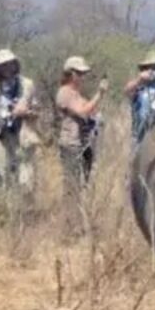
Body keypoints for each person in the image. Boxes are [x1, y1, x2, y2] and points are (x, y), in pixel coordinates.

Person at [55, 56, 108, 230]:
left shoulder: (77, 94)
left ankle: (78, 222)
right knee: (72, 186)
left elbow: (91, 112)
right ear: (70, 73)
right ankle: (70, 226)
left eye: (83, 73)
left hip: (84, 144)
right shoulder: (64, 93)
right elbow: (83, 111)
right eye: (79, 73)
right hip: (71, 144)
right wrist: (100, 94)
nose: (82, 76)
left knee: (82, 184)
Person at [0, 49, 41, 198]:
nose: (7, 67)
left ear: (15, 64)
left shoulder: (27, 85)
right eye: (3, 65)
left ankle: (26, 209)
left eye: (9, 63)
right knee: (2, 176)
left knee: (27, 177)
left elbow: (37, 111)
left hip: (23, 136)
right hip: (1, 138)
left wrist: (25, 112)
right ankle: (5, 209)